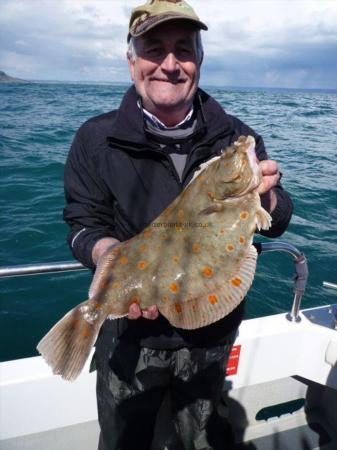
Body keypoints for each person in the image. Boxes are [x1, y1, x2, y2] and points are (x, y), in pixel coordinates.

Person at [63, 1, 293, 448]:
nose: (169, 64)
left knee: (207, 440)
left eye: (183, 49)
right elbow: (81, 223)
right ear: (132, 62)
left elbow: (278, 220)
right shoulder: (95, 139)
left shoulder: (234, 137)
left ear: (200, 60)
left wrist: (266, 195)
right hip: (129, 334)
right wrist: (112, 260)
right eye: (153, 49)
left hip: (212, 337)